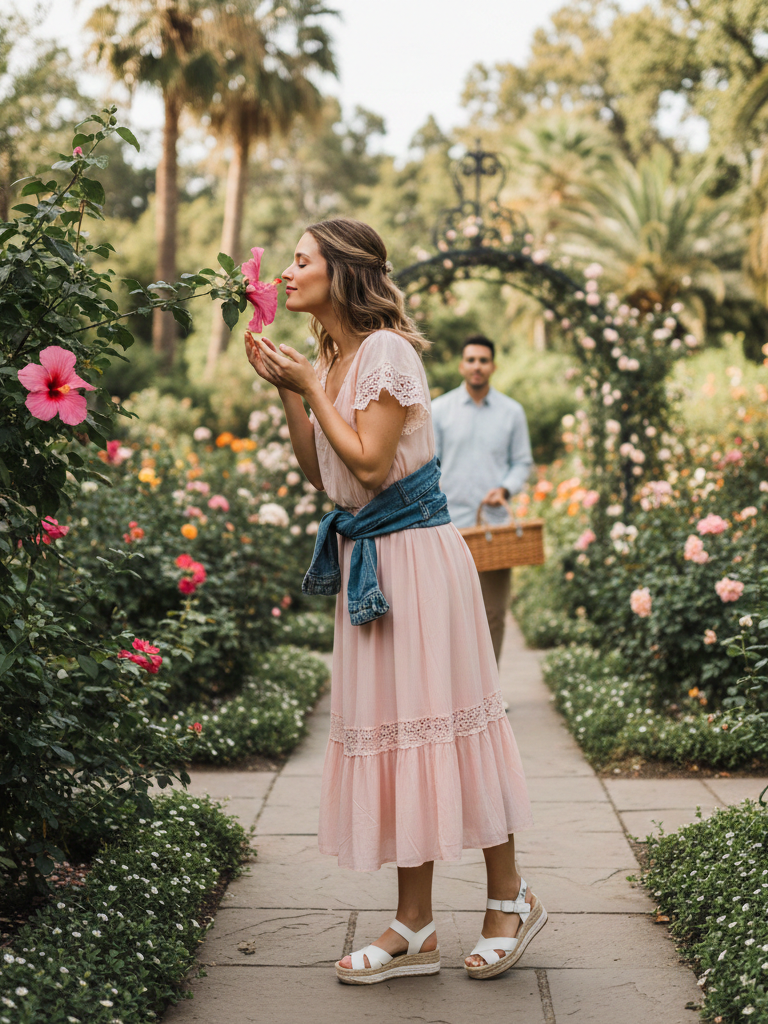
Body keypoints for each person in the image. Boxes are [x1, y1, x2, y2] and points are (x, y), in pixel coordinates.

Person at [244, 217, 546, 985]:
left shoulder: (384, 352)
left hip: (414, 560)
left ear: (342, 271)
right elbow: (326, 476)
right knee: (397, 729)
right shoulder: (336, 356)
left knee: (451, 722)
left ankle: (508, 899)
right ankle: (415, 925)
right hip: (369, 562)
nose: (286, 271)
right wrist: (293, 390)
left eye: (301, 258)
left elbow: (374, 466)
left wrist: (309, 385)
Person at [432, 336, 533, 662]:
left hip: (494, 530)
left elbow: (522, 462)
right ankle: (456, 696)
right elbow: (428, 465)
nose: (477, 366)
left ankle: (493, 695)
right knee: (448, 614)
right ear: (462, 365)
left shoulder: (512, 412)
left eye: (484, 360)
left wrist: (504, 489)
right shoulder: (440, 410)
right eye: (471, 360)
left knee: (493, 614)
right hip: (449, 528)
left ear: (493, 366)